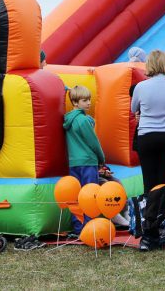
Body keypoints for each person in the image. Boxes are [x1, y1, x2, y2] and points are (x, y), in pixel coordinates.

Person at [130, 50, 165, 193]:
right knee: (163, 179)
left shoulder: (141, 87)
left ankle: (151, 213)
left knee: (149, 179)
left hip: (147, 135)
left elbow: (134, 108)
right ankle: (161, 212)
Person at [63, 85, 105, 235]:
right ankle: (89, 227)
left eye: (89, 100)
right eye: (85, 100)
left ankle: (78, 227)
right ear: (75, 102)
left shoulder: (68, 119)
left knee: (76, 196)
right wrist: (102, 158)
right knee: (90, 195)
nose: (89, 103)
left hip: (73, 162)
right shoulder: (83, 121)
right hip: (88, 162)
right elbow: (93, 142)